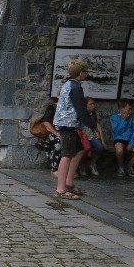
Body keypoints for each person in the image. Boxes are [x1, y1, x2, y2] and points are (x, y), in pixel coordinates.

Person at [52, 59, 96, 200]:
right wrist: (91, 124)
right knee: (67, 155)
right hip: (67, 124)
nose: (86, 74)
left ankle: (69, 183)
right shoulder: (76, 87)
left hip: (67, 123)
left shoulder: (69, 84)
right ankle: (61, 189)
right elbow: (80, 109)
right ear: (81, 73)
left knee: (79, 149)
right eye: (86, 72)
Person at [111, 99, 134, 177]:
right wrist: (124, 120)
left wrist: (132, 143)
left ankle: (129, 166)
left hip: (131, 139)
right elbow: (117, 131)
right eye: (129, 108)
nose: (131, 110)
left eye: (131, 108)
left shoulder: (133, 118)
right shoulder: (114, 117)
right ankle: (121, 166)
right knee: (119, 150)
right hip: (119, 138)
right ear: (122, 108)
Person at [32, 97, 61, 176]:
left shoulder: (70, 108)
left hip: (64, 132)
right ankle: (55, 168)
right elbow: (46, 122)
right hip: (50, 133)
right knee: (59, 142)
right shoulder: (52, 107)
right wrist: (56, 133)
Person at [79, 97, 105, 176]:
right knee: (86, 148)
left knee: (100, 147)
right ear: (85, 105)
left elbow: (97, 126)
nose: (93, 106)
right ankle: (82, 165)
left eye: (94, 104)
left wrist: (102, 140)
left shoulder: (93, 114)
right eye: (91, 104)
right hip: (83, 136)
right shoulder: (81, 114)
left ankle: (92, 163)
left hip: (91, 135)